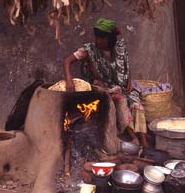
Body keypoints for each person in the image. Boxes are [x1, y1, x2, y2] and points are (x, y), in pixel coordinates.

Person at [63, 18, 150, 149]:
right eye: (97, 37)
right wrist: (69, 80)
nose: (98, 41)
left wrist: (129, 80)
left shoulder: (120, 48)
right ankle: (133, 138)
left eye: (102, 38)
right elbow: (67, 61)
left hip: (121, 87)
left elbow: (126, 67)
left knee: (137, 106)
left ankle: (144, 142)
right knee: (121, 102)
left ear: (111, 38)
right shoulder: (89, 50)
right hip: (102, 88)